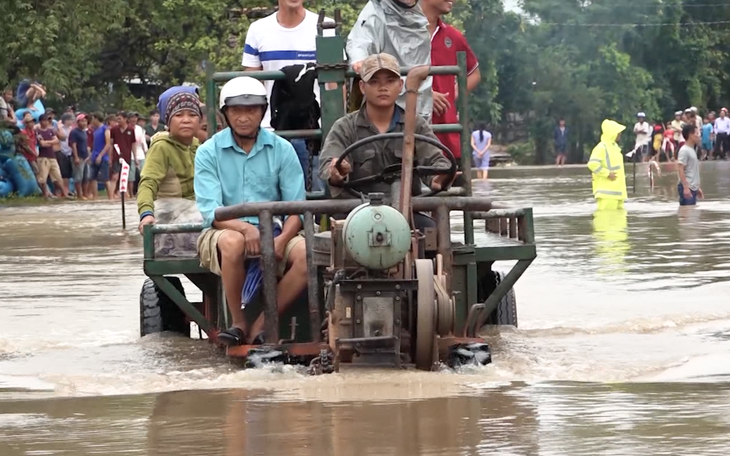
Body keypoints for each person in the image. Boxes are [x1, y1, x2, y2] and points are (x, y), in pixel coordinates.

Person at [194, 76, 308, 346]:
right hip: (224, 229)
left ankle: (263, 324)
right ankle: (238, 324)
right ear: (226, 114)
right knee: (233, 243)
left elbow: (297, 208)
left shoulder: (282, 149)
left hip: (276, 228)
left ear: (262, 112)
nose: (244, 117)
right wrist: (246, 228)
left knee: (306, 254)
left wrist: (280, 240)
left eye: (251, 110)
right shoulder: (208, 152)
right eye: (237, 111)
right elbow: (212, 211)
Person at [318, 53, 453, 231]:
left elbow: (436, 160)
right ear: (362, 87)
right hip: (356, 212)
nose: (383, 87)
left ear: (400, 85)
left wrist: (440, 176)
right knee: (340, 235)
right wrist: (337, 171)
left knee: (434, 233)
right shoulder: (345, 127)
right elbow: (329, 164)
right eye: (374, 82)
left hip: (406, 211)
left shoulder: (415, 124)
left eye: (389, 81)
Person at [241, 0, 334, 189]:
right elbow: (250, 86)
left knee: (317, 201)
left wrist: (333, 131)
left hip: (315, 132)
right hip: (271, 130)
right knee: (271, 200)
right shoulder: (258, 30)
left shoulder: (326, 27)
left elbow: (335, 85)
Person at [347, 0, 433, 121]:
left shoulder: (418, 14)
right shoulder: (375, 13)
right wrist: (359, 59)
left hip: (419, 104)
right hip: (383, 108)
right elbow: (359, 41)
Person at [421, 0, 480, 163]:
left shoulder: (453, 36)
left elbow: (474, 74)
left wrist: (450, 96)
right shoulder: (401, 33)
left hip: (447, 135)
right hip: (411, 135)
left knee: (454, 183)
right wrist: (424, 95)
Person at [138, 91, 201, 233]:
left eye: (192, 115)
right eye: (179, 115)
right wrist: (146, 213)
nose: (186, 120)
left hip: (197, 212)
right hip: (170, 217)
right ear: (168, 122)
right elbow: (148, 183)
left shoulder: (198, 146)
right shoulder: (161, 147)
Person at [587, 119, 627, 211]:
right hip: (607, 194)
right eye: (618, 132)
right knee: (605, 221)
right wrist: (607, 173)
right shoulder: (601, 147)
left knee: (619, 222)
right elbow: (592, 164)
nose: (620, 134)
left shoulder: (615, 147)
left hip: (618, 192)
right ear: (612, 133)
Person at [35, 114, 68, 198]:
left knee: (57, 176)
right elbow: (42, 144)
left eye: (47, 120)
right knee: (43, 178)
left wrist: (48, 142)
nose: (46, 122)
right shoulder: (38, 131)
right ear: (40, 121)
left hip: (52, 156)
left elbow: (56, 140)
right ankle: (45, 194)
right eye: (44, 120)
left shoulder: (51, 131)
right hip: (43, 157)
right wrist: (51, 142)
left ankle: (64, 194)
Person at [110, 111, 137, 199]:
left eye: (120, 118)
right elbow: (111, 144)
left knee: (124, 176)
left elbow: (133, 144)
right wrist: (110, 157)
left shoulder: (131, 130)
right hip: (116, 156)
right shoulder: (114, 130)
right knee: (115, 176)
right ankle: (111, 197)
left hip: (127, 156)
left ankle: (124, 194)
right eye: (117, 119)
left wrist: (135, 157)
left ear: (125, 119)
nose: (118, 120)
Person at [89, 113, 116, 200]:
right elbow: (94, 145)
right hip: (94, 156)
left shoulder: (105, 129)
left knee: (105, 178)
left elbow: (108, 144)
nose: (92, 121)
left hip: (103, 157)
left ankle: (110, 198)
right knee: (92, 177)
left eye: (93, 119)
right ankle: (95, 197)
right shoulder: (95, 130)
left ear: (96, 119)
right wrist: (90, 156)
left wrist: (101, 155)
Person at [677, 124, 703, 206]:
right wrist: (686, 188)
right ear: (691, 135)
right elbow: (680, 169)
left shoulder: (692, 150)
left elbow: (691, 170)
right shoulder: (684, 150)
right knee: (687, 214)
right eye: (696, 133)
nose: (698, 136)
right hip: (687, 188)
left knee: (692, 214)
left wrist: (697, 187)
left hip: (692, 187)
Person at [69, 113, 91, 199]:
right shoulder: (74, 132)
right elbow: (73, 145)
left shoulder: (84, 132)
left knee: (86, 176)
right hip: (79, 156)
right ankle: (79, 194)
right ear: (78, 122)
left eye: (85, 121)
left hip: (85, 157)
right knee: (78, 177)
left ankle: (85, 194)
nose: (84, 123)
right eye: (82, 121)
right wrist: (76, 157)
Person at [57, 113, 75, 196]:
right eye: (70, 119)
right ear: (66, 120)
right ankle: (64, 190)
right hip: (62, 151)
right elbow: (63, 137)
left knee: (69, 173)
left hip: (70, 152)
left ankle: (68, 189)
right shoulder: (60, 128)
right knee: (63, 173)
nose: (71, 121)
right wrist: (59, 126)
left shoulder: (72, 129)